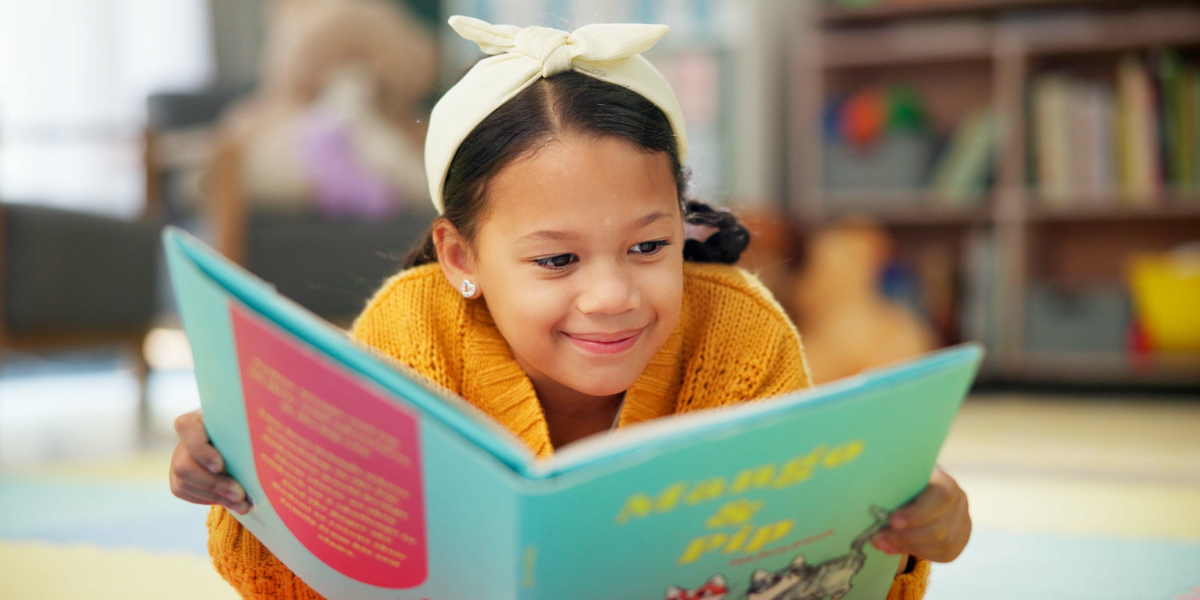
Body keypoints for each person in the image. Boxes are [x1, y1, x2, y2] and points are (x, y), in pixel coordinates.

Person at [168, 16, 970, 600]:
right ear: (461, 257)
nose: (613, 296)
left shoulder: (741, 333)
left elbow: (813, 560)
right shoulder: (410, 331)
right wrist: (249, 477)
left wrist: (903, 535)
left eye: (650, 247)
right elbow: (299, 584)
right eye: (557, 259)